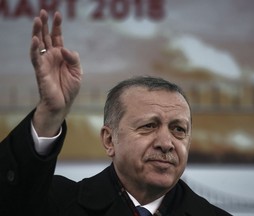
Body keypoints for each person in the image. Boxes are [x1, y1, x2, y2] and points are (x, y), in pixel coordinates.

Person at [0, 10, 232, 216]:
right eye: (149, 126)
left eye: (178, 130)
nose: (166, 143)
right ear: (109, 140)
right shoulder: (58, 204)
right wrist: (50, 113)